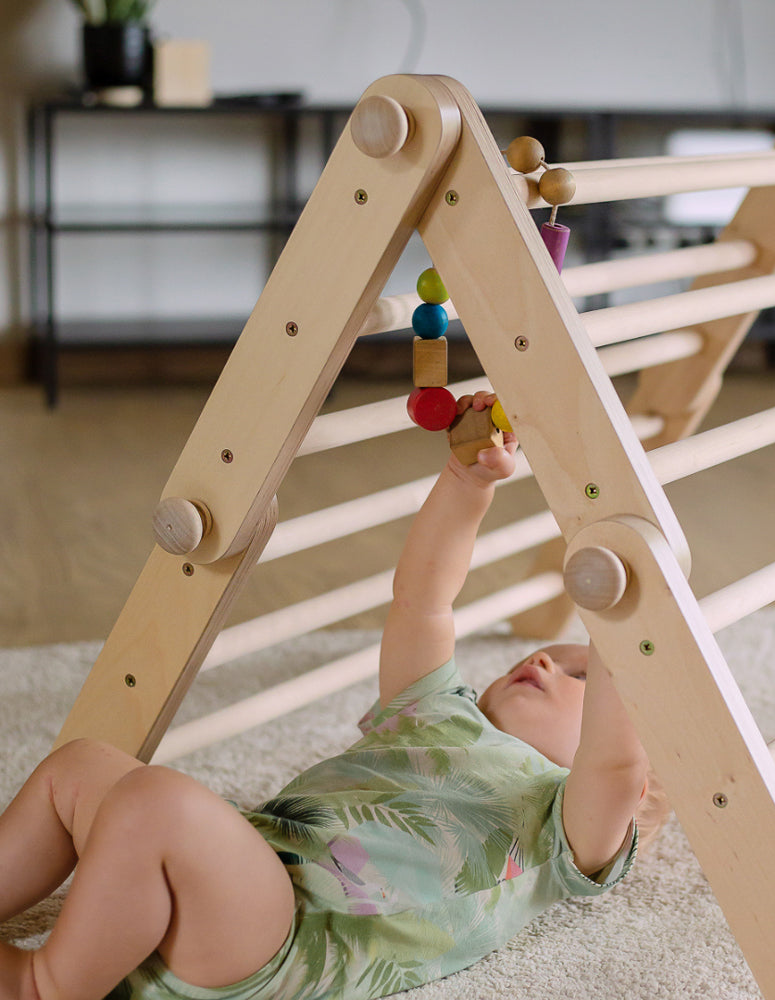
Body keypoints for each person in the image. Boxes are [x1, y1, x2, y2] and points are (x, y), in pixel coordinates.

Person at [0, 392, 666, 1000]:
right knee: (82, 765)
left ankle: (42, 986)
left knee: (155, 800)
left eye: (585, 676)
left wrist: (622, 631)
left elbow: (612, 760)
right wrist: (467, 483)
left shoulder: (563, 825)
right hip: (228, 866)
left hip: (279, 936)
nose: (545, 660)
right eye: (549, 656)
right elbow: (422, 601)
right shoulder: (437, 711)